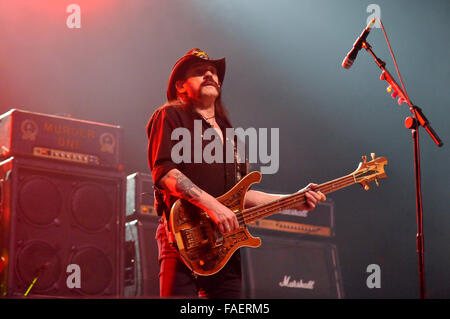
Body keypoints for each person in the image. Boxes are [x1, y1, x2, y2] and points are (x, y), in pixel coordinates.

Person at [147, 48, 326, 299]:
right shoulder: (169, 115)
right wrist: (213, 207)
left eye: (213, 72)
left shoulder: (230, 135)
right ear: (180, 86)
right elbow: (165, 172)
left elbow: (243, 195)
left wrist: (295, 201)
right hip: (182, 237)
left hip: (225, 245)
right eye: (200, 72)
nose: (209, 75)